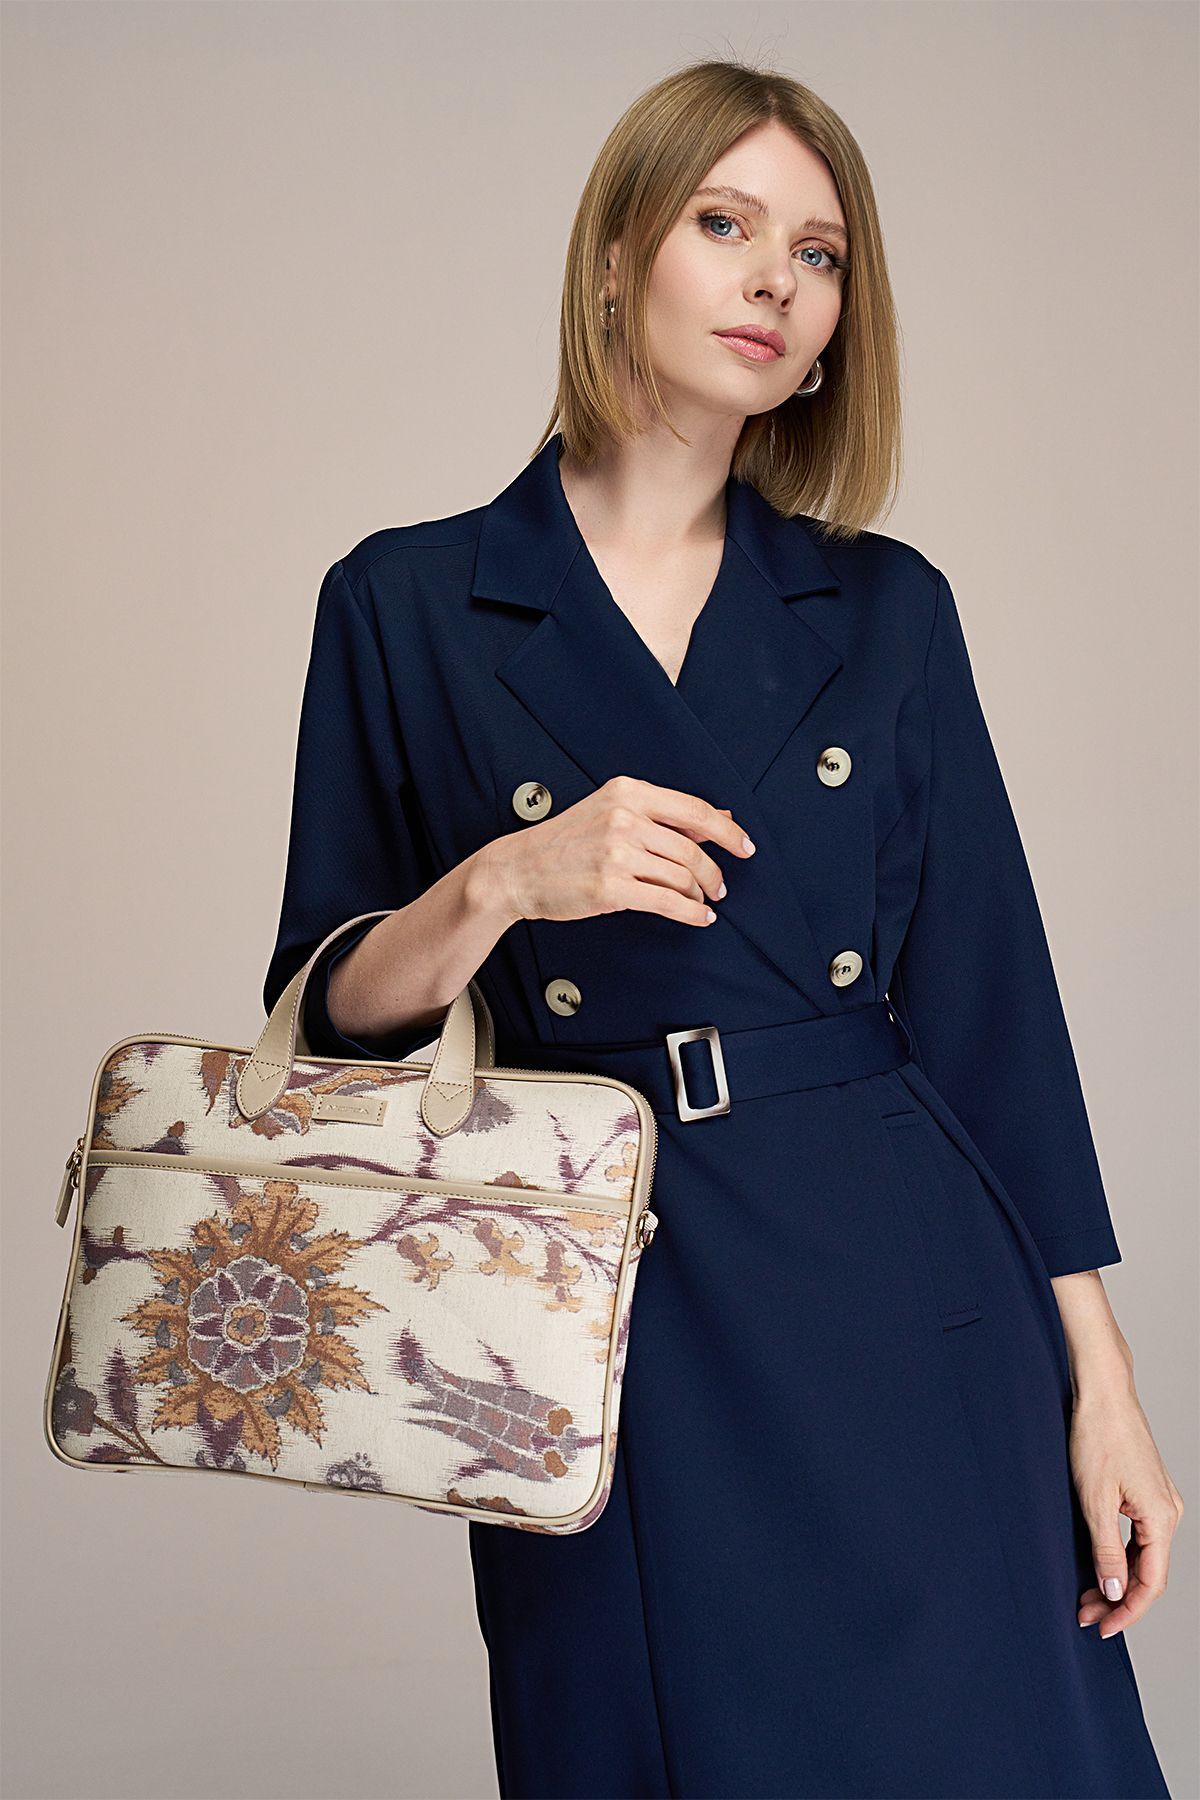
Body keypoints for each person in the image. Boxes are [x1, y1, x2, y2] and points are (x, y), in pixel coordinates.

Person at [262, 58, 1181, 1800]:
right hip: (599, 1314)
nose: (778, 280)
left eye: (819, 255)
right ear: (617, 258)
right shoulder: (408, 599)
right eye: (725, 223)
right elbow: (330, 1027)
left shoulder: (887, 608)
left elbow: (994, 1013)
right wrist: (505, 881)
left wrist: (1106, 1384)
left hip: (909, 1301)